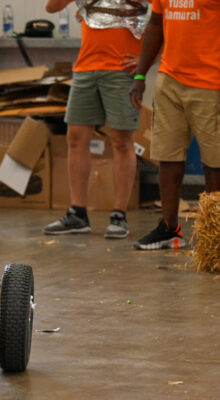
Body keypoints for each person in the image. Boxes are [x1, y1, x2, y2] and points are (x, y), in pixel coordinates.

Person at [43, 0, 147, 239]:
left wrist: (147, 59)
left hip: (122, 69)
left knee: (122, 140)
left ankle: (119, 215)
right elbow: (51, 7)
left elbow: (165, 17)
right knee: (76, 138)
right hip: (85, 67)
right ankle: (77, 213)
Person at [129, 0, 220, 250]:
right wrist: (140, 74)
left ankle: (215, 234)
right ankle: (170, 229)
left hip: (212, 81)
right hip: (169, 79)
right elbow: (156, 24)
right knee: (168, 155)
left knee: (215, 162)